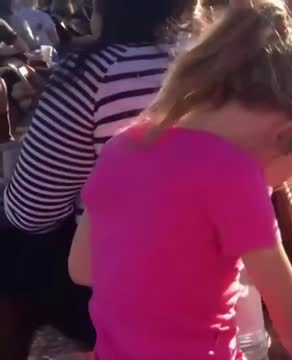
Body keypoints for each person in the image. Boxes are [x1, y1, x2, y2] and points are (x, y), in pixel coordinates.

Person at [68, 2, 292, 360]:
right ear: (287, 135)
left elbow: (81, 269)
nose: (283, 186)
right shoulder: (232, 172)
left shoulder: (121, 146)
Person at [0, 0, 194, 358]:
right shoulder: (216, 64)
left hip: (126, 298)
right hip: (213, 292)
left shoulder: (92, 70)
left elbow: (31, 213)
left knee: (9, 244)